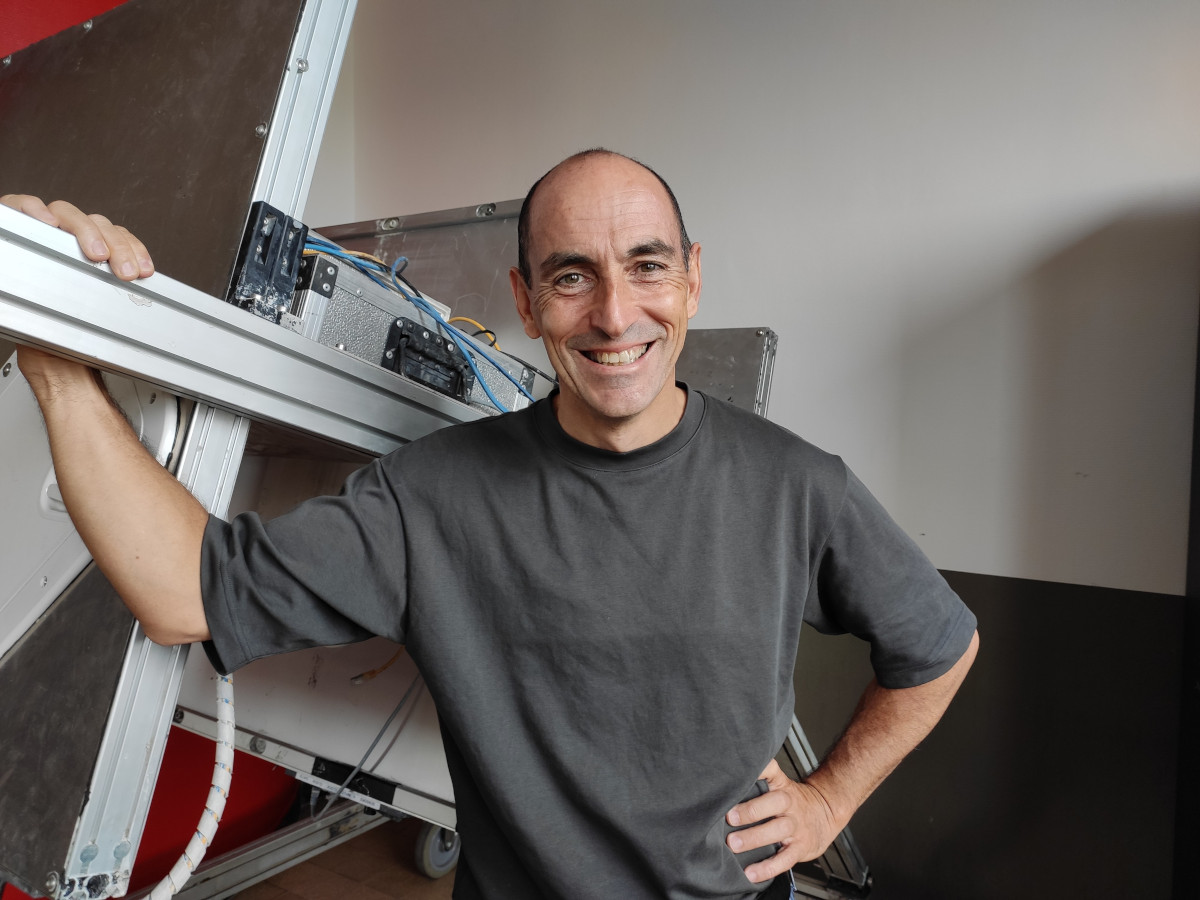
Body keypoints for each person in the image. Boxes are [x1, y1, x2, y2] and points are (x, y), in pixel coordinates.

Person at [1, 149, 978, 900]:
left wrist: (829, 800)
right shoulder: (436, 497)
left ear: (691, 279)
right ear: (525, 300)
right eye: (571, 276)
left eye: (646, 267)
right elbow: (182, 590)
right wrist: (56, 353)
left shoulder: (794, 484)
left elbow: (939, 643)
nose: (614, 314)